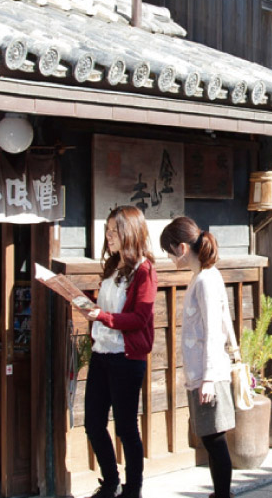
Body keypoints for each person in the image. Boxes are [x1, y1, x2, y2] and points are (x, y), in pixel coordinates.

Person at [160, 217, 239, 498]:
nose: (168, 258)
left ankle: (222, 495)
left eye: (169, 252)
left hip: (209, 374)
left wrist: (207, 378)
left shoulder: (205, 279)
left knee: (214, 439)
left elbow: (213, 331)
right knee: (212, 438)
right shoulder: (204, 275)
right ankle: (220, 494)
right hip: (207, 372)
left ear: (181, 248)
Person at [83, 206, 158, 498]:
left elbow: (140, 319)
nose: (108, 235)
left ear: (129, 232)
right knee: (93, 423)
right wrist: (85, 303)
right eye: (107, 229)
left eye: (113, 230)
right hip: (102, 353)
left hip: (127, 358)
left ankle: (133, 488)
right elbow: (108, 308)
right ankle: (111, 480)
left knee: (126, 427)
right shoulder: (112, 267)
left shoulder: (145, 270)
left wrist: (101, 316)